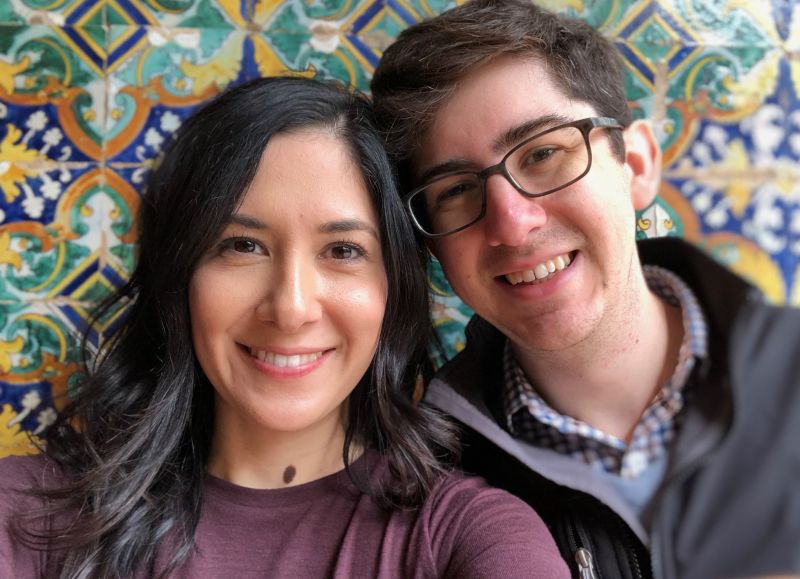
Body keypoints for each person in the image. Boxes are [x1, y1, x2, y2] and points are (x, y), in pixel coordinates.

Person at [0, 76, 570, 578]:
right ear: (180, 276)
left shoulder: (472, 537)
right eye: (242, 246)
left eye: (343, 250)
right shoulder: (25, 513)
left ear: (393, 290)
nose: (291, 307)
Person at [370, 1, 800, 578]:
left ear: (637, 165)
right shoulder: (423, 482)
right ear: (432, 250)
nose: (512, 224)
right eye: (457, 190)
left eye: (544, 153)